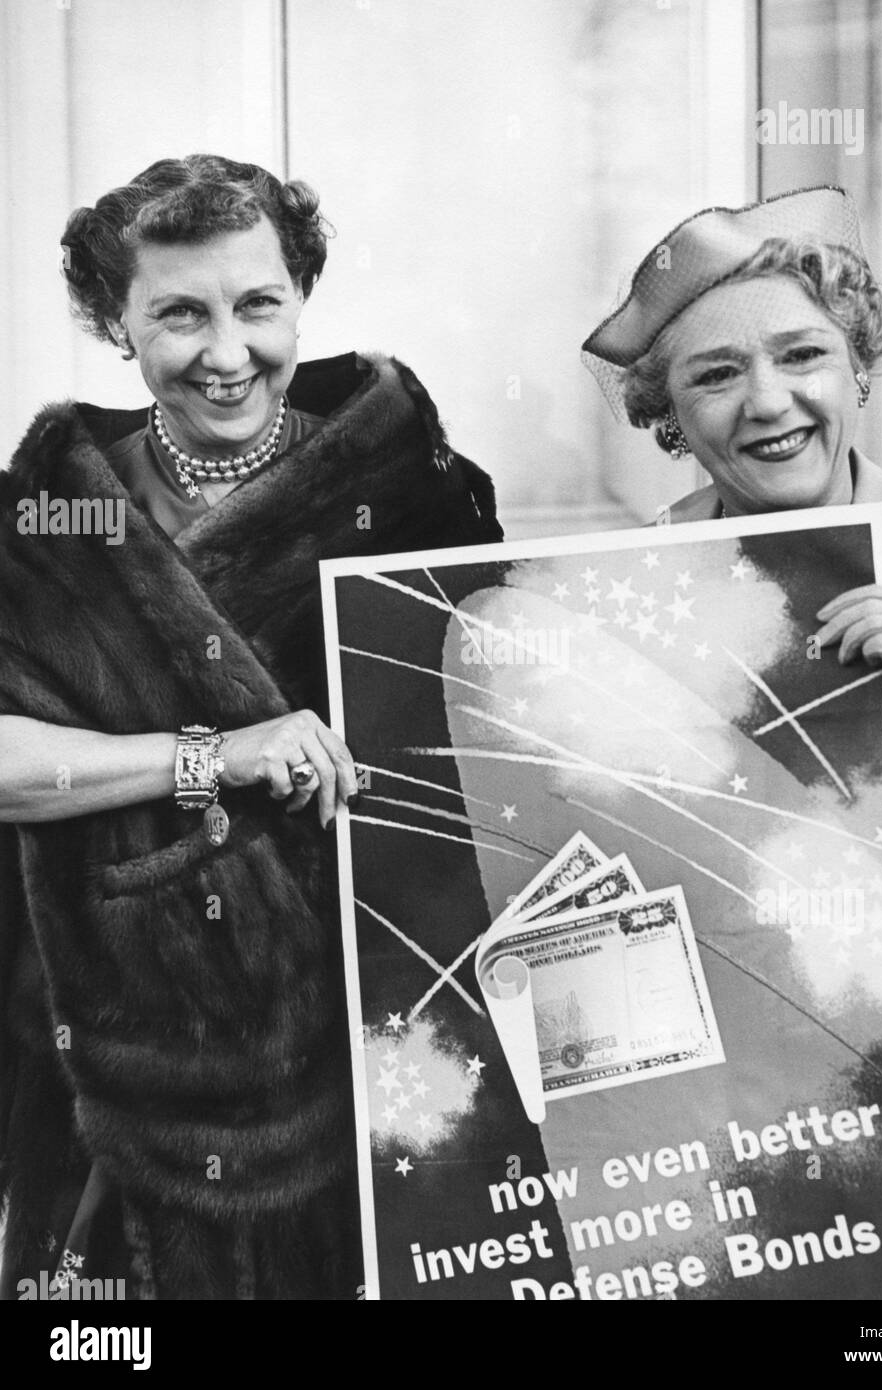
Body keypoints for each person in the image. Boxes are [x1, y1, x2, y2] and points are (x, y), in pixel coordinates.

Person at [0, 154, 502, 1300]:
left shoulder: (414, 485)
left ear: (301, 296)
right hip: (115, 1044)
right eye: (179, 313)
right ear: (114, 323)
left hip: (381, 1023)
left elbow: (493, 731)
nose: (227, 353)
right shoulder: (42, 515)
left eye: (257, 305)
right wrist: (214, 759)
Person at [582, 185, 882, 1296]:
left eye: (802, 355)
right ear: (668, 417)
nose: (769, 401)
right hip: (710, 1150)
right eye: (717, 375)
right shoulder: (610, 603)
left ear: (859, 367)